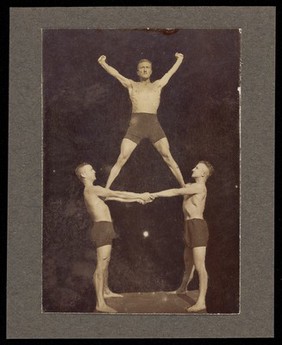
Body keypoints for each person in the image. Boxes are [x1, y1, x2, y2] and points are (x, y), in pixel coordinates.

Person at [98, 53, 186, 189]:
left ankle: (184, 186)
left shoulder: (157, 85)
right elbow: (116, 74)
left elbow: (170, 73)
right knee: (122, 158)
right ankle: (107, 189)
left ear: (151, 71)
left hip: (154, 125)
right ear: (137, 71)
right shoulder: (132, 85)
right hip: (136, 127)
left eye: (147, 67)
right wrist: (103, 63)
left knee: (168, 157)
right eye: (142, 68)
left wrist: (179, 59)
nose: (145, 70)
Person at [75, 162, 151, 313]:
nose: (94, 170)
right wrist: (140, 194)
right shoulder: (92, 189)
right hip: (102, 228)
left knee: (106, 261)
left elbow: (116, 198)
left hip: (106, 227)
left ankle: (106, 291)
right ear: (84, 174)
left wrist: (136, 200)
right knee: (101, 264)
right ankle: (100, 304)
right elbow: (117, 193)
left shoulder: (94, 192)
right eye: (91, 169)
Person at [150, 161, 214, 312]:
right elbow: (182, 190)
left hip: (197, 226)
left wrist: (155, 194)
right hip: (188, 227)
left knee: (200, 266)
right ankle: (182, 288)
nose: (193, 168)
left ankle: (201, 302)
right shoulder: (191, 186)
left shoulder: (198, 187)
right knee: (188, 263)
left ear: (204, 174)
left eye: (197, 168)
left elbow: (174, 191)